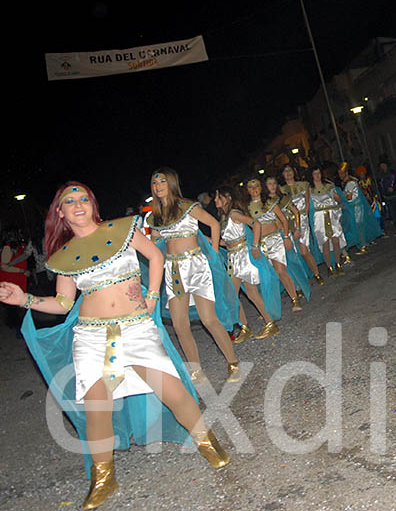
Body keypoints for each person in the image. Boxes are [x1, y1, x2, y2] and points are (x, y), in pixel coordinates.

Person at [1, 182, 229, 510]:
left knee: (173, 391)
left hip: (135, 328)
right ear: (60, 213)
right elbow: (64, 303)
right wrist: (24, 298)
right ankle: (104, 476)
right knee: (96, 406)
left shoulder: (122, 230)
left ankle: (206, 440)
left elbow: (154, 256)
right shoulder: (63, 256)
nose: (77, 204)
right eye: (69, 201)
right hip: (91, 337)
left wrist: (152, 297)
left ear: (93, 204)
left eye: (83, 198)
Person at [146, 168, 240, 384]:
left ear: (171, 183)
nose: (158, 186)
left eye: (162, 181)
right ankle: (196, 371)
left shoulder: (187, 206)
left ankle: (233, 363)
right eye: (154, 182)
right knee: (180, 325)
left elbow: (214, 224)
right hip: (173, 270)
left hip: (196, 266)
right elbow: (155, 246)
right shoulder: (154, 217)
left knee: (208, 318)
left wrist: (214, 254)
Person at [214, 185, 280, 341]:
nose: (215, 200)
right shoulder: (224, 219)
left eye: (218, 196)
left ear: (227, 198)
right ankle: (245, 326)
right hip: (233, 258)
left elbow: (256, 224)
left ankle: (270, 323)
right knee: (233, 295)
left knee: (249, 293)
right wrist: (211, 241)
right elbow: (228, 242)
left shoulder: (234, 214)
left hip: (242, 257)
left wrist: (255, 245)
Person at [246, 177, 303, 312]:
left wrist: (285, 237)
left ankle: (295, 299)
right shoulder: (246, 208)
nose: (254, 189)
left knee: (280, 271)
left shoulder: (270, 203)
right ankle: (270, 307)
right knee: (267, 276)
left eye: (257, 186)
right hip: (260, 244)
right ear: (247, 190)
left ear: (261, 188)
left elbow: (283, 220)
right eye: (250, 187)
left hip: (275, 240)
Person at [280, 164, 325, 285]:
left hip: (302, 220)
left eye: (290, 170)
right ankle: (301, 281)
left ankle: (316, 273)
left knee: (304, 250)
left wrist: (302, 219)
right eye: (285, 171)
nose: (288, 173)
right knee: (294, 253)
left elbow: (307, 203)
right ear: (282, 174)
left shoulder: (304, 185)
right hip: (289, 223)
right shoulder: (281, 190)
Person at [309, 166, 349, 275]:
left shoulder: (328, 186)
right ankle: (329, 267)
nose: (317, 176)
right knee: (324, 242)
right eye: (315, 174)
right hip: (319, 217)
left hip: (332, 215)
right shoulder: (309, 189)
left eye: (319, 173)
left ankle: (337, 263)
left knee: (336, 240)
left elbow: (338, 198)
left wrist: (338, 199)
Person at [338, 161, 383, 251]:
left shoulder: (350, 183)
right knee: (357, 226)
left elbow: (349, 197)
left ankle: (363, 245)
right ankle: (363, 244)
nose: (340, 175)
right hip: (354, 207)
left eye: (341, 173)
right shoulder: (348, 182)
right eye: (339, 173)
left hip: (355, 207)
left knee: (358, 226)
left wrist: (340, 197)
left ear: (346, 173)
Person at [1, 230, 31, 332]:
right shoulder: (7, 247)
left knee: (18, 305)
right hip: (11, 279)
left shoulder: (17, 246)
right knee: (14, 306)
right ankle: (17, 327)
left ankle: (17, 325)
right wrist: (22, 270)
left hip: (17, 278)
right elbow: (4, 267)